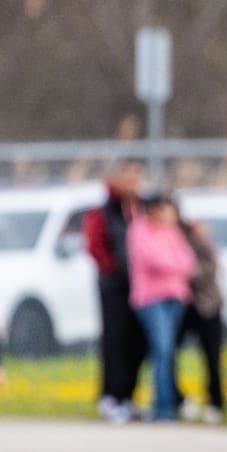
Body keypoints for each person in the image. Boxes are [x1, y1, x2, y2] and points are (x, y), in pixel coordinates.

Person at [83, 160, 147, 424]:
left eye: (136, 176)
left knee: (137, 340)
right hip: (114, 284)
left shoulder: (140, 207)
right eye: (127, 176)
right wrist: (112, 268)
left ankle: (129, 396)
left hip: (141, 284)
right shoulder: (105, 210)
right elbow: (95, 244)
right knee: (115, 340)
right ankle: (111, 396)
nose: (132, 182)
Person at [126, 193, 196, 422]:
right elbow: (153, 260)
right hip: (151, 299)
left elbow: (188, 261)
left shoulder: (172, 232)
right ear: (153, 210)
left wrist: (174, 265)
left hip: (175, 297)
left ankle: (169, 402)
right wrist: (174, 265)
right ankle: (162, 407)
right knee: (162, 350)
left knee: (168, 352)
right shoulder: (139, 230)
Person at [173, 218, 226, 424]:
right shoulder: (164, 237)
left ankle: (216, 402)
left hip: (207, 304)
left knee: (212, 356)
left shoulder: (196, 235)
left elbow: (212, 264)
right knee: (168, 353)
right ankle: (178, 399)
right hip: (180, 305)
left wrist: (186, 274)